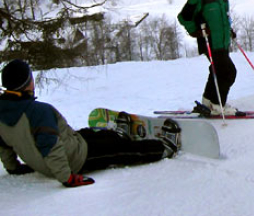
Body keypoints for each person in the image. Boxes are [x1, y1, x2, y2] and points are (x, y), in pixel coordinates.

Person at [0, 59, 180, 187]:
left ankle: (118, 135)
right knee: (118, 151)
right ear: (26, 83)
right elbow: (50, 147)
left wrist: (14, 168)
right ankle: (163, 149)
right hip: (73, 160)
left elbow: (3, 145)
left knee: (92, 133)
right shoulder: (38, 112)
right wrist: (68, 178)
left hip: (67, 146)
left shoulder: (3, 110)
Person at [178, 0, 237, 115]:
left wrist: (229, 30)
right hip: (210, 42)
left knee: (217, 71)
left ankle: (208, 102)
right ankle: (218, 105)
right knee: (229, 73)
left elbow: (224, 17)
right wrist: (195, 31)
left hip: (222, 42)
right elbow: (184, 16)